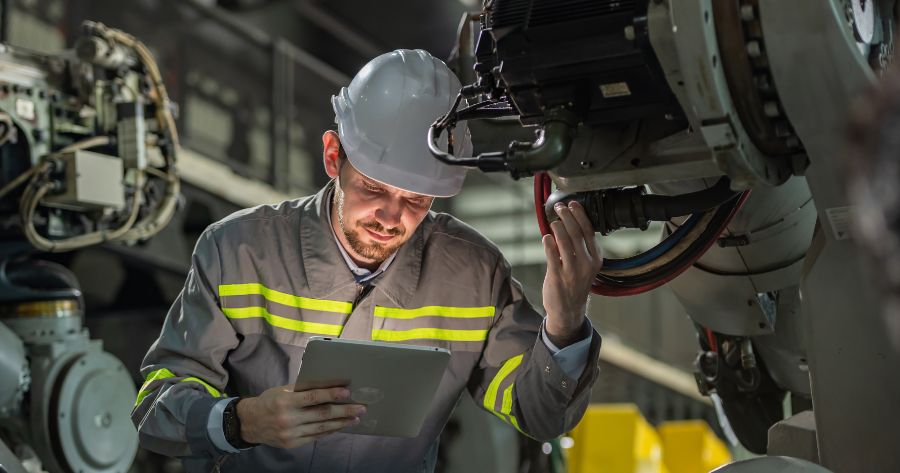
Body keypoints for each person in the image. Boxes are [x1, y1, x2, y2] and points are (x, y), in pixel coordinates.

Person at [131, 49, 603, 472]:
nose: (392, 216)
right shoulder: (237, 251)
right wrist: (240, 421)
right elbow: (156, 409)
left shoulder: (475, 276)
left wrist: (564, 326)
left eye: (417, 199)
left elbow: (539, 416)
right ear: (334, 156)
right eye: (374, 188)